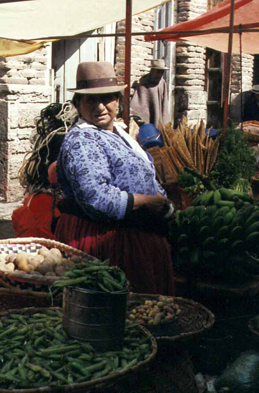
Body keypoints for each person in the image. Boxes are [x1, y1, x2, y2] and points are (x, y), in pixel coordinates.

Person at [53, 61, 176, 295]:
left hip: (137, 237)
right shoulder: (81, 141)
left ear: (118, 101)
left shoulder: (119, 132)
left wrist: (164, 203)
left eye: (107, 98)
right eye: (90, 100)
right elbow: (96, 198)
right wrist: (150, 201)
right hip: (106, 243)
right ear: (78, 104)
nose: (100, 107)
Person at [130, 58, 171, 128]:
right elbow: (140, 104)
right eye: (158, 71)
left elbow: (164, 104)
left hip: (159, 117)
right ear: (152, 71)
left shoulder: (162, 83)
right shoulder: (144, 83)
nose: (160, 74)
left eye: (162, 72)